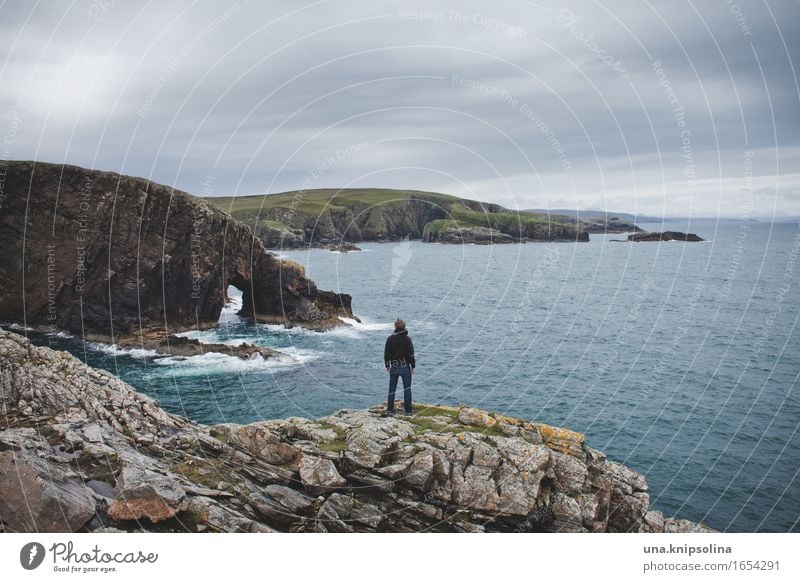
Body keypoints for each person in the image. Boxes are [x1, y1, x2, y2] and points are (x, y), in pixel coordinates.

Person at [383, 318, 415, 415]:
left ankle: (389, 409)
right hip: (405, 367)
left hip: (394, 367)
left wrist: (387, 365)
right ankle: (408, 411)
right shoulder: (407, 339)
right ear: (404, 327)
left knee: (392, 388)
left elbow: (386, 353)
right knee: (407, 389)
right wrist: (413, 366)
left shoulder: (390, 339)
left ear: (395, 327)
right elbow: (411, 354)